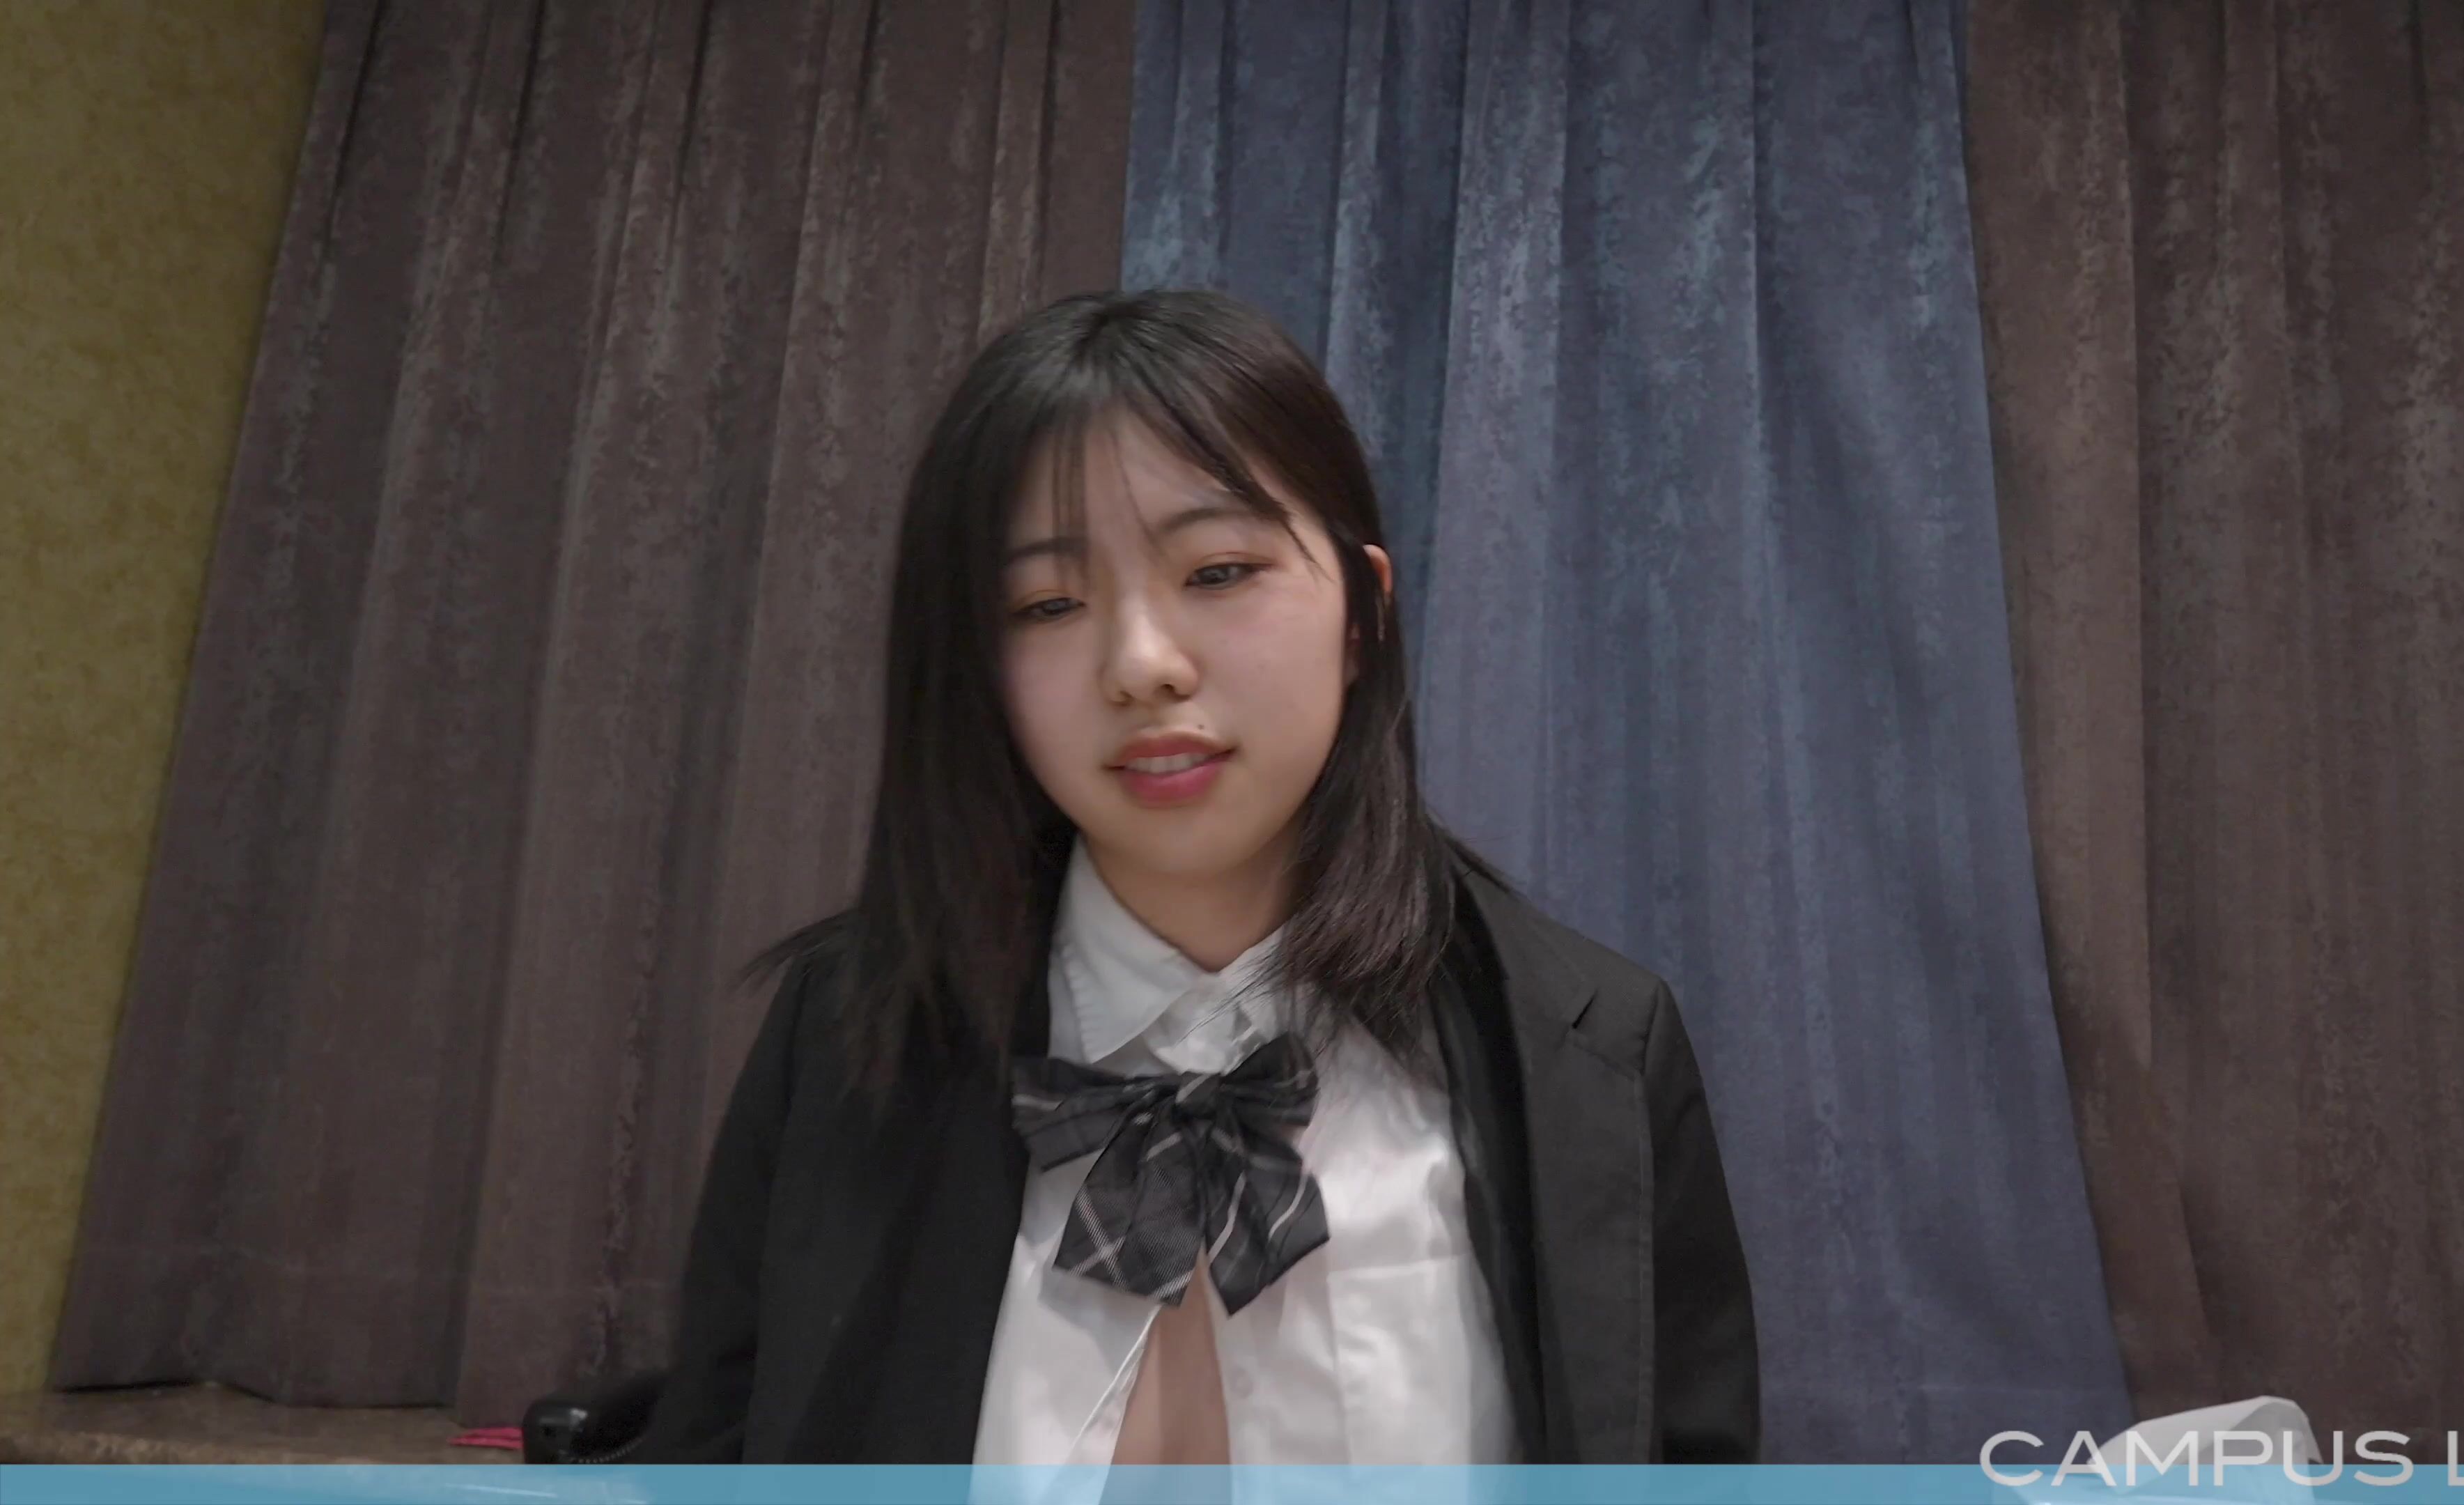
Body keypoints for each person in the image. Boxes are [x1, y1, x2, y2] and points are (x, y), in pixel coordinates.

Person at [635, 289, 1758, 1465]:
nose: (1141, 665)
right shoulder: (844, 1036)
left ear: (1364, 614)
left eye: (1219, 572)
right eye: (1048, 603)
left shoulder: (1597, 1052)